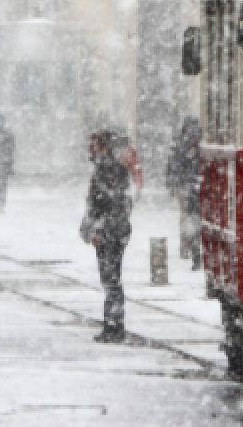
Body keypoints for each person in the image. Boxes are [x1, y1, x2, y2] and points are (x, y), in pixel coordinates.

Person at [80, 130, 133, 343]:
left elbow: (108, 204)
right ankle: (113, 324)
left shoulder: (107, 170)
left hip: (111, 232)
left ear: (103, 147)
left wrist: (99, 230)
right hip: (115, 231)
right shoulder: (110, 169)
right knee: (111, 280)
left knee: (110, 280)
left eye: (93, 146)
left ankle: (114, 326)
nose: (90, 151)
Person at [166, 117, 202, 269]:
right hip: (188, 187)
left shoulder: (185, 146)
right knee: (189, 218)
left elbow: (174, 165)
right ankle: (189, 246)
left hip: (193, 187)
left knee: (190, 218)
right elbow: (175, 165)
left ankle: (189, 246)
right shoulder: (183, 147)